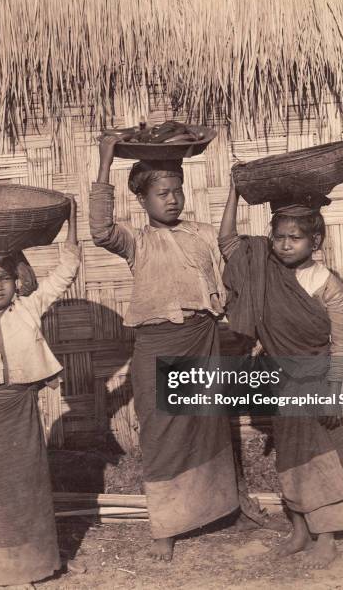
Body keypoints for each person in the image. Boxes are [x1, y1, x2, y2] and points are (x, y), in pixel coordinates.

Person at [89, 136, 239, 561]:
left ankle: (217, 510)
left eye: (178, 191)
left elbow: (231, 252)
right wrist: (105, 158)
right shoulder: (137, 242)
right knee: (163, 432)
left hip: (203, 338)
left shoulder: (203, 234)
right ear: (141, 199)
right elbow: (100, 228)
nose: (173, 200)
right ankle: (166, 528)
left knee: (206, 425)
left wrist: (234, 192)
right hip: (158, 344)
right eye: (162, 193)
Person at [218, 179, 343, 568]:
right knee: (291, 457)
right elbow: (228, 242)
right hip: (281, 380)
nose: (284, 245)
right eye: (278, 237)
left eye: (294, 238)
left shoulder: (328, 284)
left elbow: (341, 346)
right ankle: (299, 529)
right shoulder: (261, 265)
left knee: (322, 458)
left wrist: (333, 393)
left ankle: (326, 535)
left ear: (315, 241)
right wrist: (234, 191)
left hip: (316, 382)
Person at [0, 196, 80, 587]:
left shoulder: (28, 309)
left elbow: (67, 269)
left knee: (32, 488)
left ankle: (43, 563)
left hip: (22, 411)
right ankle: (7, 571)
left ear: (15, 281)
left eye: (4, 278)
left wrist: (73, 221)